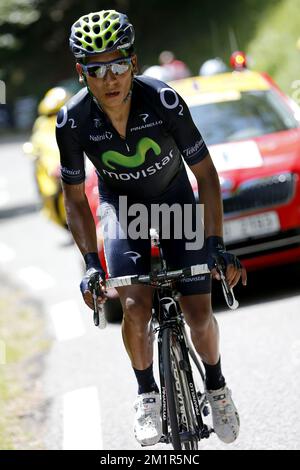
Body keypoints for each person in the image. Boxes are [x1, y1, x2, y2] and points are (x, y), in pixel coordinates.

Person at [56, 9, 247, 447]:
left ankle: (216, 387)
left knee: (199, 312)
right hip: (121, 210)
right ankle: (146, 395)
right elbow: (72, 198)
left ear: (134, 63)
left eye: (118, 64)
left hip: (176, 203)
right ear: (80, 73)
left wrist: (215, 244)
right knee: (135, 306)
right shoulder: (73, 121)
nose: (110, 78)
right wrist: (89, 264)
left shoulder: (162, 101)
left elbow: (207, 174)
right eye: (96, 69)